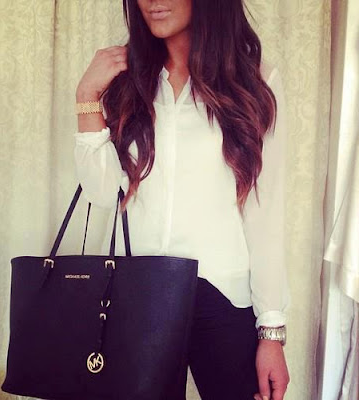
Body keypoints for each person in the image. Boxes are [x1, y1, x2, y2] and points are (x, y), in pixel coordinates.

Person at [73, 0, 290, 399]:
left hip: (222, 295)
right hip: (137, 295)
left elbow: (265, 212)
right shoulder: (125, 79)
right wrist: (87, 95)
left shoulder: (253, 80)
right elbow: (102, 193)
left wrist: (271, 330)